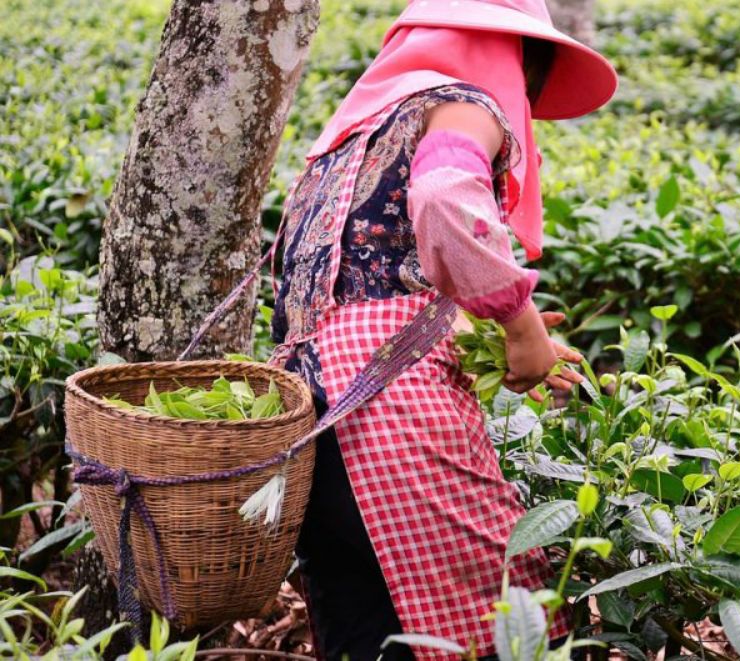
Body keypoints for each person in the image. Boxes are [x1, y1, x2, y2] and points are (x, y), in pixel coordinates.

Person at [267, 1, 616, 658]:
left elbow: (371, 287)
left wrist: (507, 335)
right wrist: (517, 321)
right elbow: (445, 201)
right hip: (387, 418)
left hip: (306, 417)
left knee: (363, 631)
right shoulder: (463, 105)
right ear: (516, 58)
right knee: (512, 619)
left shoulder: (355, 134)